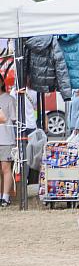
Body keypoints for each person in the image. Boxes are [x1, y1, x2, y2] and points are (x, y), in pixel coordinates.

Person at [0, 76, 16, 207]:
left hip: (6, 138)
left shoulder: (9, 99)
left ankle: (5, 197)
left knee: (6, 167)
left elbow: (11, 119)